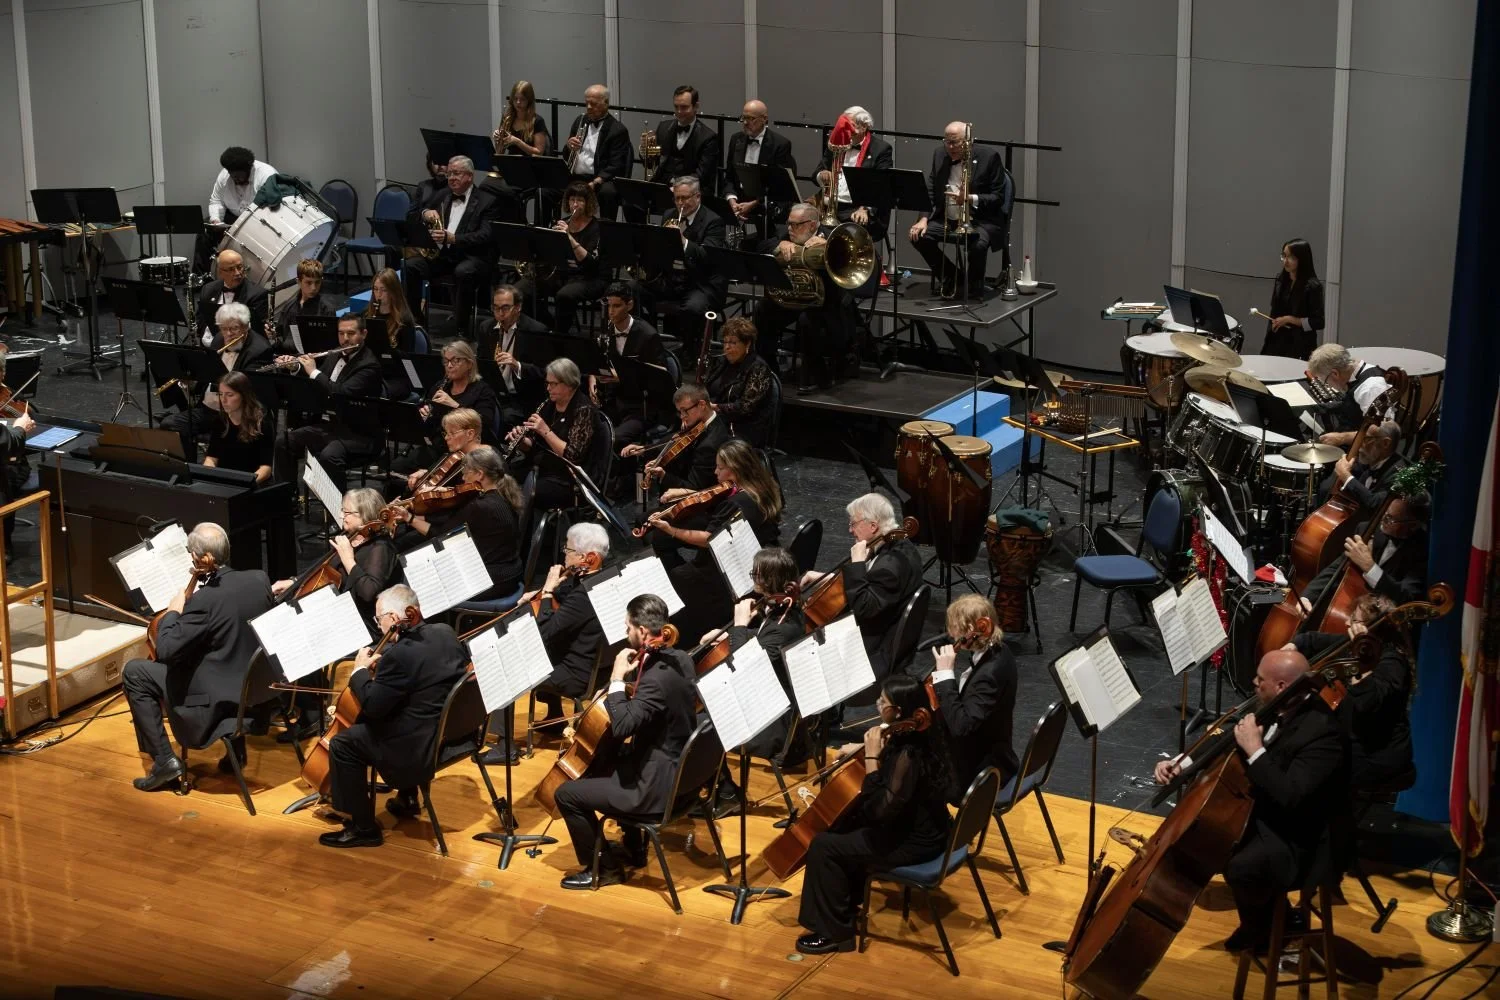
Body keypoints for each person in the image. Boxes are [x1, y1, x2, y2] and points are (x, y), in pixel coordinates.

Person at [1153, 650, 1348, 952]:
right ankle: (1267, 918)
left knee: (1241, 865)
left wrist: (1256, 750)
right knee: (1216, 842)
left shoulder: (1323, 734)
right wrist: (1183, 763)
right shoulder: (1276, 704)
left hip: (1306, 836)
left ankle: (1265, 926)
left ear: (1283, 686)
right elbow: (1230, 737)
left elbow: (1291, 796)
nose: (1253, 682)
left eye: (1261, 679)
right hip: (1270, 814)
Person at [796, 674, 957, 954]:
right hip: (933, 829)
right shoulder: (919, 732)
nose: (877, 703)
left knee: (824, 845)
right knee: (846, 825)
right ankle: (845, 905)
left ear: (897, 711)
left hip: (914, 842)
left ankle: (835, 933)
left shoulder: (909, 753)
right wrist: (863, 747)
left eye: (883, 701)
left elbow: (880, 812)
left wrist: (871, 758)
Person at [553, 594, 698, 888]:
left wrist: (618, 680)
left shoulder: (655, 679)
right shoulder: (680, 659)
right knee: (609, 758)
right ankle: (634, 848)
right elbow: (656, 700)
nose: (626, 633)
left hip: (652, 790)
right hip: (680, 775)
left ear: (642, 632)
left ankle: (603, 869)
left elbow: (622, 726)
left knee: (566, 793)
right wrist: (627, 688)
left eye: (627, 627)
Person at [121, 524, 274, 791]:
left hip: (216, 701)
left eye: (191, 552)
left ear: (205, 559)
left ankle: (164, 761)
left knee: (135, 672)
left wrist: (174, 611)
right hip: (256, 694)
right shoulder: (259, 579)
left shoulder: (205, 601)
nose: (190, 557)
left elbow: (167, 651)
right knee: (222, 648)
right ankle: (235, 752)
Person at [319, 585, 470, 848]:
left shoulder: (400, 656)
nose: (378, 626)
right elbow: (419, 675)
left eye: (379, 619)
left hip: (415, 750)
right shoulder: (446, 633)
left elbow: (374, 705)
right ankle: (407, 799)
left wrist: (359, 672)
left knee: (345, 743)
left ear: (395, 618)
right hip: (450, 736)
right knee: (405, 708)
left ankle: (363, 828)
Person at [271, 487, 401, 741]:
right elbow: (326, 570)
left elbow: (368, 591)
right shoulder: (353, 537)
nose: (343, 517)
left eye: (348, 513)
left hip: (365, 624)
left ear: (365, 515)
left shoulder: (380, 548)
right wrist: (295, 582)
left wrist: (349, 559)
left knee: (301, 636)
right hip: (343, 611)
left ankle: (311, 713)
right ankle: (294, 700)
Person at [643, 438, 783, 642]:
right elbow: (720, 494)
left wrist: (670, 529)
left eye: (720, 467)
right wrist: (689, 493)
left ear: (734, 470)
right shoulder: (764, 487)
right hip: (756, 557)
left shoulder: (737, 504)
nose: (715, 472)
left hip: (728, 571)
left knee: (676, 577)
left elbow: (708, 539)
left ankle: (683, 634)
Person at [1289, 593, 1414, 794]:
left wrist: (1361, 655)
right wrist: (1292, 647)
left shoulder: (1393, 663)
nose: (1347, 623)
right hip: (1355, 739)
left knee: (1314, 771)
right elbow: (1312, 640)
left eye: (1354, 620)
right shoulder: (1352, 644)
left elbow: (1365, 703)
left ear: (1374, 630)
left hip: (1377, 755)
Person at [801, 492, 923, 687]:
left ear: (873, 526)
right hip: (882, 630)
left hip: (872, 649)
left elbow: (864, 607)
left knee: (800, 656)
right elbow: (874, 585)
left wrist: (857, 564)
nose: (850, 530)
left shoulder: (889, 567)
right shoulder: (900, 547)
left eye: (853, 524)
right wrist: (827, 578)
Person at [387, 446, 524, 601]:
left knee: (419, 573)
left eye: (466, 472)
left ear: (480, 474)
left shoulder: (481, 505)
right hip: (510, 572)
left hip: (491, 579)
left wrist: (409, 519)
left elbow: (440, 536)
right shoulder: (503, 494)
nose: (463, 479)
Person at [273, 313, 386, 493]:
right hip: (328, 426)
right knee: (283, 441)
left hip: (358, 433)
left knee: (329, 456)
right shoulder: (334, 355)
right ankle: (288, 500)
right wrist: (295, 367)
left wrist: (313, 371)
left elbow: (341, 393)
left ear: (363, 334)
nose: (345, 339)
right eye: (341, 334)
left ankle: (339, 510)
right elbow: (318, 387)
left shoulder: (369, 365)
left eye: (351, 333)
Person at [752, 202, 853, 392]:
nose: (790, 228)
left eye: (795, 225)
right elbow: (762, 246)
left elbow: (849, 262)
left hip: (826, 304)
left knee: (808, 321)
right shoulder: (789, 235)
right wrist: (779, 244)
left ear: (813, 225)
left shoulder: (832, 236)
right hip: (795, 298)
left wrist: (829, 247)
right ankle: (768, 368)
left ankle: (816, 375)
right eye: (789, 223)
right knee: (762, 309)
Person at [908, 122, 1012, 298]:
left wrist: (970, 198)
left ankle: (973, 286)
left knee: (978, 244)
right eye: (947, 142)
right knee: (919, 236)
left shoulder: (989, 157)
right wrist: (923, 219)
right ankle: (952, 277)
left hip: (980, 220)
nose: (950, 147)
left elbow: (998, 197)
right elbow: (931, 189)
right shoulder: (940, 154)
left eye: (955, 142)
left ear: (968, 141)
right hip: (948, 218)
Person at [163, 301, 276, 461]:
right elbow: (205, 378)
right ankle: (189, 472)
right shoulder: (218, 340)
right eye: (224, 328)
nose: (228, 334)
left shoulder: (259, 350)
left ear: (245, 327)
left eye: (234, 328)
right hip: (210, 409)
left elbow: (247, 390)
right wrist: (191, 380)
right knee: (171, 424)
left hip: (238, 412)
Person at [929, 593, 1019, 792]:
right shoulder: (1002, 651)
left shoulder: (989, 675)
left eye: (953, 626)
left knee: (917, 768)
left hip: (979, 769)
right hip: (988, 748)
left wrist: (945, 674)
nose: (951, 634)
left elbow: (961, 726)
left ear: (971, 630)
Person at [402, 156, 500, 333]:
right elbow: (415, 214)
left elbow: (486, 235)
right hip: (444, 256)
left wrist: (454, 239)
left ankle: (461, 329)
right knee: (410, 266)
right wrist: (426, 213)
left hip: (473, 257)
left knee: (463, 271)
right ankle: (415, 321)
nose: (451, 178)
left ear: (469, 176)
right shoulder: (443, 194)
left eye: (456, 174)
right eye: (449, 174)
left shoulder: (488, 201)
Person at [529, 522, 610, 728]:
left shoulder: (583, 596)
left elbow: (544, 633)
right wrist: (546, 592)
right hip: (597, 667)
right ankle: (553, 719)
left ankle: (504, 745)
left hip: (575, 674)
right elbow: (570, 604)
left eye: (569, 550)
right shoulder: (603, 580)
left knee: (513, 666)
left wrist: (547, 591)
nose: (565, 554)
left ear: (589, 558)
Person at [641, 176, 727, 365]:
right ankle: (643, 344)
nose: (680, 203)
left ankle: (691, 351)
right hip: (674, 278)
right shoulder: (669, 214)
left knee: (693, 307)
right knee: (633, 290)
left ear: (698, 196)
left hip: (701, 282)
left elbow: (707, 257)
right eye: (677, 198)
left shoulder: (714, 222)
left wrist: (683, 240)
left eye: (685, 198)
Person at [1302, 492, 1430, 609]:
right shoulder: (1366, 530)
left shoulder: (1423, 550)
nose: (1382, 520)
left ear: (1413, 525)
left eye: (1390, 519)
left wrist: (1370, 568)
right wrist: (1307, 596)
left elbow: (1407, 597)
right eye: (1385, 513)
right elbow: (1337, 568)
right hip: (1351, 606)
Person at [506, 358, 598, 511]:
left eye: (553, 384)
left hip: (566, 478)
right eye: (547, 383)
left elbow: (573, 455)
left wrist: (545, 431)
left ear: (569, 384)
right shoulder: (549, 404)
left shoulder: (584, 410)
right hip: (542, 467)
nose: (548, 388)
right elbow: (535, 446)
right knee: (503, 480)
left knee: (523, 493)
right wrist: (521, 442)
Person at [596, 281, 668, 453]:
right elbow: (596, 358)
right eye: (609, 306)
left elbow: (660, 376)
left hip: (640, 406)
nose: (611, 312)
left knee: (614, 439)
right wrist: (593, 377)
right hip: (612, 401)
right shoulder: (607, 328)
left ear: (629, 305)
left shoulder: (647, 335)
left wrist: (621, 376)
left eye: (617, 306)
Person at [620, 384, 728, 495]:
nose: (682, 416)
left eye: (685, 410)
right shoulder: (698, 421)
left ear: (701, 404)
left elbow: (695, 487)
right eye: (680, 412)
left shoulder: (710, 444)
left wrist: (664, 476)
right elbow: (675, 440)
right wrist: (644, 449)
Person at [529, 181, 605, 335]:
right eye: (572, 200)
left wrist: (569, 237)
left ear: (588, 203)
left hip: (589, 277)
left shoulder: (596, 228)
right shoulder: (563, 222)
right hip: (564, 273)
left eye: (580, 201)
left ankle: (560, 335)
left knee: (565, 295)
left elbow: (591, 263)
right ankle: (547, 326)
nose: (575, 204)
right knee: (524, 290)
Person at [474, 284, 549, 429]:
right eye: (496, 308)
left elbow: (544, 371)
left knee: (501, 418)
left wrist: (517, 365)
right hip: (494, 393)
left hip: (521, 398)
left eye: (505, 308)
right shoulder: (486, 328)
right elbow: (482, 362)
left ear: (518, 307)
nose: (500, 313)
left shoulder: (536, 330)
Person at [815, 106, 894, 243]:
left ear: (863, 127)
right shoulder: (837, 142)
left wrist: (865, 209)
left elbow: (881, 185)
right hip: (830, 204)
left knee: (845, 232)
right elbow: (816, 172)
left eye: (849, 125)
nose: (844, 129)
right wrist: (822, 174)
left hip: (857, 207)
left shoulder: (881, 149)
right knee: (801, 218)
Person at [724, 100, 797, 242]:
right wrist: (732, 200)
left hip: (763, 207)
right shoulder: (735, 140)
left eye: (751, 118)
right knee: (731, 244)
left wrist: (753, 204)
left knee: (756, 245)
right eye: (743, 118)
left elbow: (779, 185)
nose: (745, 122)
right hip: (737, 205)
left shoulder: (780, 144)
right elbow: (730, 176)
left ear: (764, 119)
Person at [638, 86, 720, 206]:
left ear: (696, 106)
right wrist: (644, 150)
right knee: (630, 201)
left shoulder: (708, 137)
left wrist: (678, 188)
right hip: (663, 186)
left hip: (690, 190)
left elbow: (702, 174)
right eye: (676, 107)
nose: (679, 112)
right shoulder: (663, 127)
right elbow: (651, 163)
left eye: (684, 107)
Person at [559, 84, 631, 221]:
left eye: (593, 104)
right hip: (576, 176)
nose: (589, 107)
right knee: (548, 189)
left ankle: (606, 231)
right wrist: (569, 146)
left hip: (600, 179)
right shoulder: (579, 121)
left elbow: (616, 165)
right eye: (587, 103)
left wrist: (595, 182)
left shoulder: (617, 130)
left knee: (608, 192)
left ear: (606, 103)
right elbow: (567, 156)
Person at [199, 146, 277, 270]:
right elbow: (216, 200)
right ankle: (204, 278)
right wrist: (216, 220)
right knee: (204, 231)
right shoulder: (225, 175)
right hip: (233, 217)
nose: (234, 178)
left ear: (248, 169)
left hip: (258, 221)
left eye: (239, 176)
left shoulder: (266, 175)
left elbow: (272, 211)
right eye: (232, 174)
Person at [703, 317, 776, 447]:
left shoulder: (758, 368)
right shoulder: (722, 363)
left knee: (706, 448)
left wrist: (715, 408)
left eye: (733, 343)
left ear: (747, 344)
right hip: (716, 422)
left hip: (743, 429)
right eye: (725, 342)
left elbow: (745, 408)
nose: (727, 348)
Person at [417, 340, 500, 447]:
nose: (449, 366)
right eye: (446, 361)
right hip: (440, 443)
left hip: (467, 448)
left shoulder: (483, 391)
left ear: (469, 364)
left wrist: (454, 405)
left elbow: (483, 424)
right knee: (401, 463)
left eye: (455, 360)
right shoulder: (440, 386)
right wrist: (424, 414)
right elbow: (433, 421)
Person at [490, 79, 551, 223]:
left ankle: (518, 223)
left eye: (522, 100)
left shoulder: (537, 121)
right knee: (486, 185)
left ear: (529, 100)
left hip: (530, 170)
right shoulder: (508, 118)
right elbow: (499, 153)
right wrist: (497, 140)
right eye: (515, 99)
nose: (518, 103)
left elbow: (538, 152)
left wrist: (517, 141)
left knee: (507, 191)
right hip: (511, 167)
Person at [1307, 344, 1393, 444]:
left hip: (1362, 450)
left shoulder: (1371, 387)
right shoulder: (1355, 373)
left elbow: (1382, 431)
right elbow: (1356, 404)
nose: (1328, 385)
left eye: (1326, 382)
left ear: (1335, 373)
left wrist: (1342, 438)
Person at [202, 370, 275, 482]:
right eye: (221, 394)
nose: (223, 400)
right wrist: (210, 475)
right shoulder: (220, 420)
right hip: (225, 481)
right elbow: (211, 457)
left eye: (230, 395)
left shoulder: (262, 423)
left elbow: (266, 468)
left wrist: (246, 484)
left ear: (244, 396)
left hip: (251, 483)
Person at [398, 406, 486, 498]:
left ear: (470, 434)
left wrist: (445, 491)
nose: (446, 438)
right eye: (446, 433)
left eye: (452, 433)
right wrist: (425, 474)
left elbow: (480, 496)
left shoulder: (484, 462)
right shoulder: (454, 455)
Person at [1261, 239, 1325, 360]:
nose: (1285, 261)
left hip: (1300, 345)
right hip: (1276, 342)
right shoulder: (1280, 280)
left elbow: (1319, 322)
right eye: (1284, 256)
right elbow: (1274, 310)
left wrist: (1290, 319)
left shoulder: (1313, 286)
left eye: (1291, 257)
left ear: (1302, 259)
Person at [1321, 420, 1404, 512]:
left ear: (1385, 443)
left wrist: (1346, 476)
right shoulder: (1371, 458)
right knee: (1326, 487)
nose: (1360, 444)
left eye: (1366, 439)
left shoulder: (1397, 475)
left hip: (1370, 522)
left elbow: (1375, 503)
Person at [194, 249, 268, 345]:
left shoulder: (257, 294)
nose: (237, 273)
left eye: (240, 267)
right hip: (209, 348)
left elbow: (256, 332)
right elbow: (201, 320)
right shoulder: (208, 289)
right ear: (220, 272)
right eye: (231, 269)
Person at [267, 258, 337, 348]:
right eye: (309, 282)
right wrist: (273, 335)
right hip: (286, 355)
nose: (313, 288)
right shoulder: (289, 306)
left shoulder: (327, 309)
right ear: (298, 282)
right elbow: (281, 337)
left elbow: (329, 345)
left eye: (317, 282)